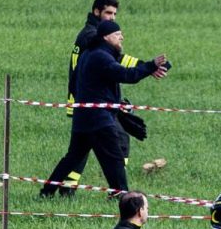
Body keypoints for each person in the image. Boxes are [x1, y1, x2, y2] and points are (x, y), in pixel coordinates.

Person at [41, 18, 169, 199]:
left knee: (72, 158)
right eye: (118, 34)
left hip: (82, 119)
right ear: (106, 37)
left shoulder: (89, 54)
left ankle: (46, 192)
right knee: (115, 159)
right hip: (99, 120)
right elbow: (126, 75)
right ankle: (122, 197)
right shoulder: (101, 57)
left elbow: (73, 84)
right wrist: (150, 66)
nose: (122, 37)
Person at [67, 0, 130, 107]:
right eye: (108, 13)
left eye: (114, 14)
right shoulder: (93, 36)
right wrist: (147, 67)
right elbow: (110, 61)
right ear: (97, 12)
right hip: (89, 101)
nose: (113, 18)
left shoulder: (90, 33)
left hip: (86, 99)